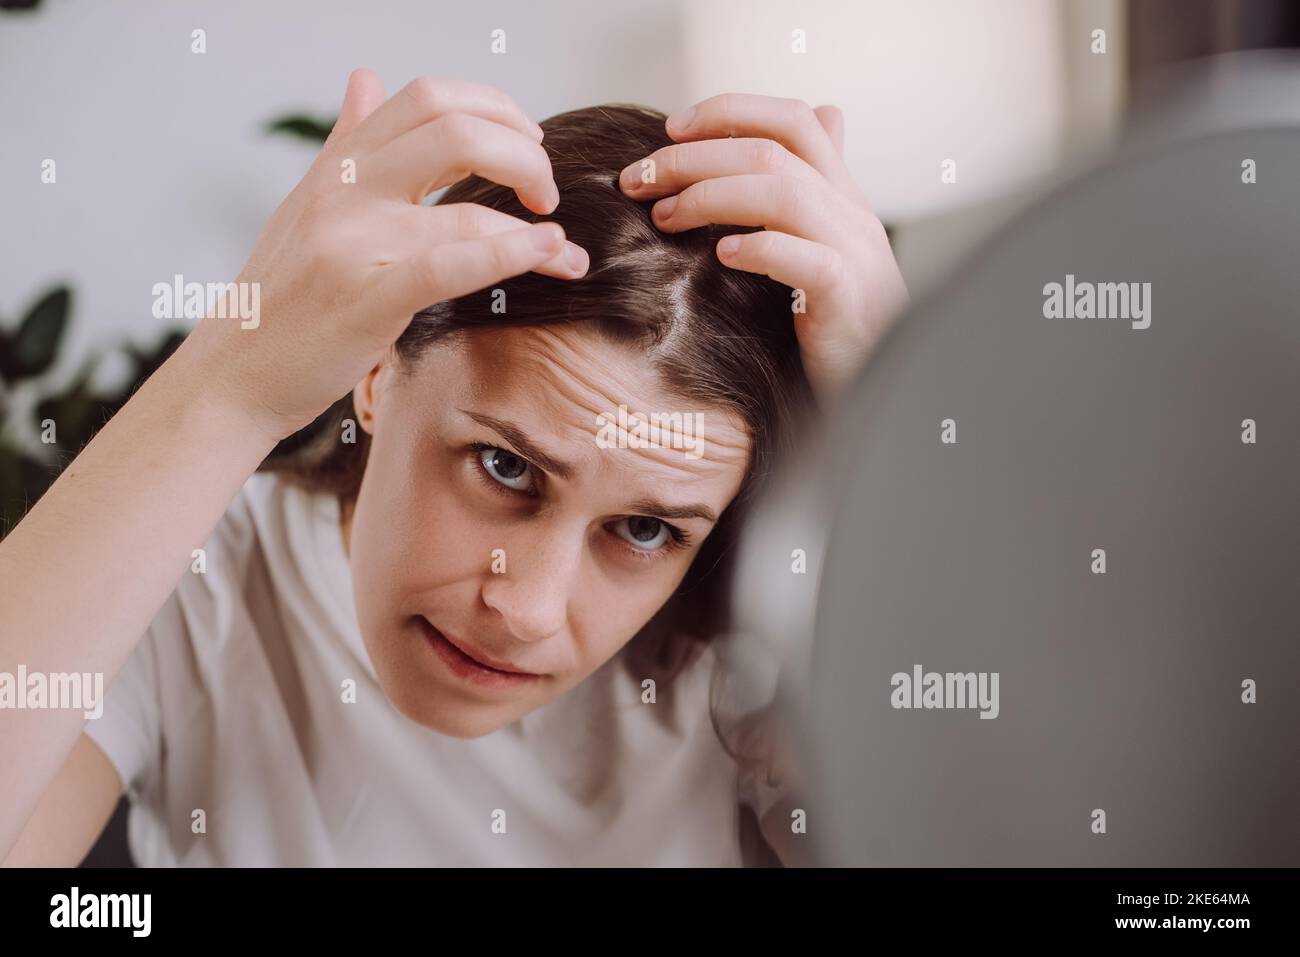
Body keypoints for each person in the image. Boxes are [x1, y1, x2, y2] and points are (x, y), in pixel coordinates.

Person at [0, 70, 908, 866]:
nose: (528, 611)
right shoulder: (201, 580)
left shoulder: (756, 648)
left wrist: (911, 439)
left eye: (644, 529)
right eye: (505, 467)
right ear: (374, 366)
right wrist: (229, 385)